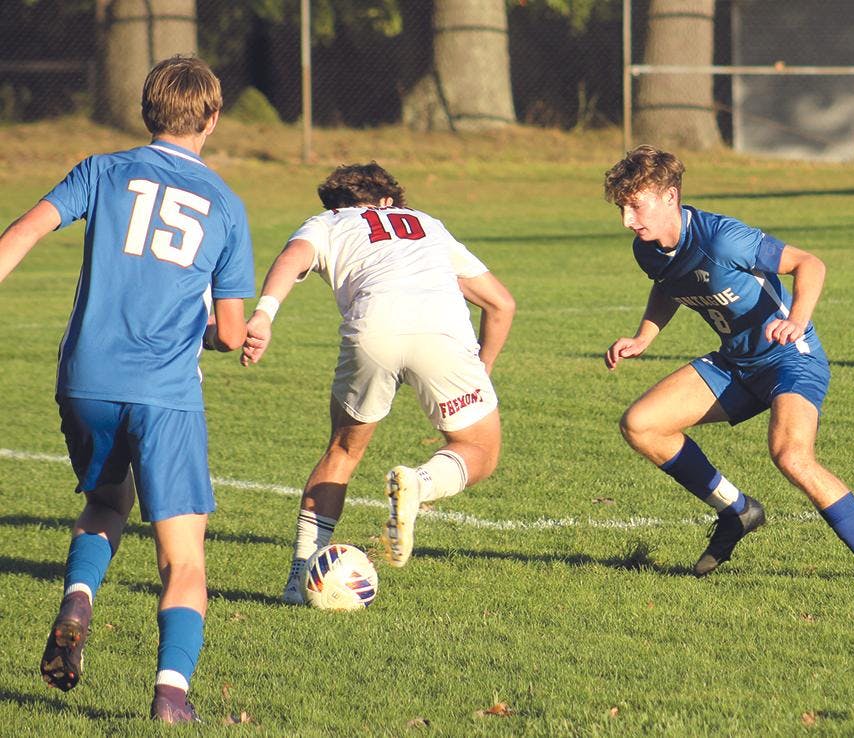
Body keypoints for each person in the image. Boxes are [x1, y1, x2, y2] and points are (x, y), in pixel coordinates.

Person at [0, 56, 255, 722]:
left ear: (146, 110)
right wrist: (217, 334)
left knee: (107, 503)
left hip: (85, 379)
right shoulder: (226, 205)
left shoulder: (101, 170)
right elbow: (230, 332)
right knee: (184, 557)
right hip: (165, 391)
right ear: (213, 117)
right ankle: (171, 696)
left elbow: (24, 230)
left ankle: (78, 599)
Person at [602, 145, 854, 583]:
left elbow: (809, 263)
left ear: (670, 196)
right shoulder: (647, 249)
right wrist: (644, 336)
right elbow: (668, 285)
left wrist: (796, 320)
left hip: (788, 360)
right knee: (641, 425)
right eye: (622, 208)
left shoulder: (722, 238)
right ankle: (737, 511)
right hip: (736, 364)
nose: (628, 220)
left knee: (791, 456)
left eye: (635, 206)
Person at [241, 162, 515, 602]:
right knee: (479, 449)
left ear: (336, 204)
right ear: (389, 200)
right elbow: (501, 304)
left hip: (373, 329)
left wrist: (264, 314)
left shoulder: (328, 222)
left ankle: (298, 579)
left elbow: (293, 258)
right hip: (442, 331)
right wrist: (481, 370)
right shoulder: (424, 222)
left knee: (342, 452)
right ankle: (421, 483)